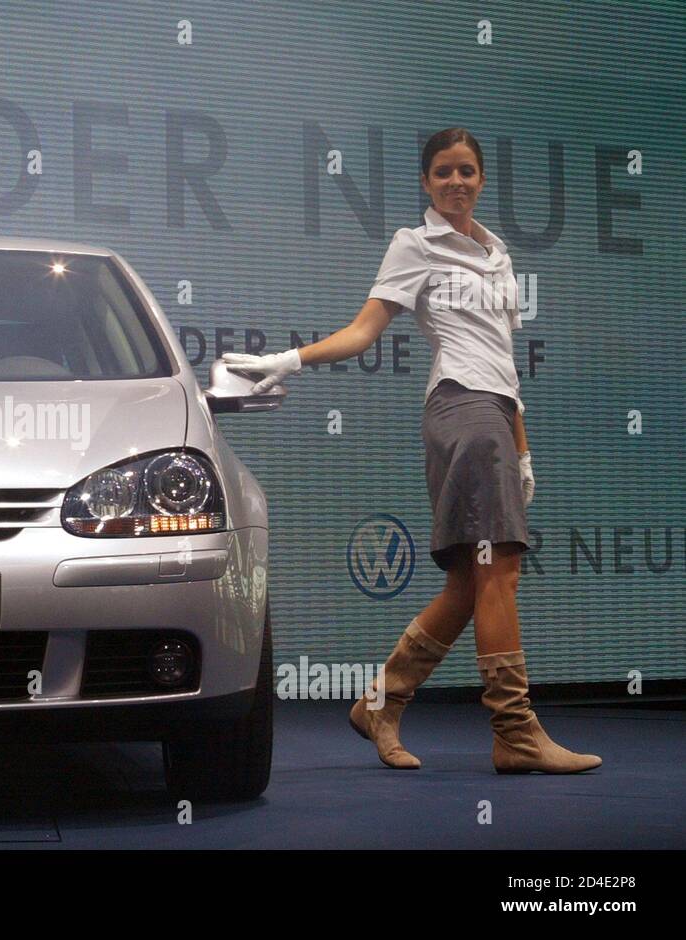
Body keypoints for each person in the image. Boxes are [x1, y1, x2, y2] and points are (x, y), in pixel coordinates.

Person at [223, 127, 600, 774]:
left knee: (469, 580)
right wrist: (285, 361)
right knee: (500, 569)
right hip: (461, 412)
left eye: (468, 171)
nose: (457, 181)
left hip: (495, 416)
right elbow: (363, 331)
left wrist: (525, 449)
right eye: (443, 172)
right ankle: (515, 732)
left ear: (482, 179)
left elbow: (504, 365)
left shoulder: (499, 254)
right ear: (426, 182)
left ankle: (381, 702)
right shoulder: (414, 245)